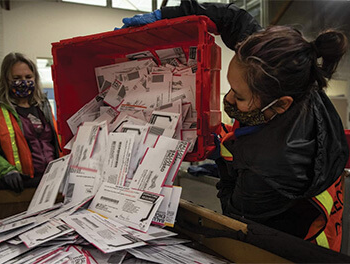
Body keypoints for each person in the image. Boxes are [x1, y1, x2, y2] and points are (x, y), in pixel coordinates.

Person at [119, 0, 349, 252]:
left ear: (281, 104)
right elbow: (232, 19)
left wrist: (223, 162)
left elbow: (234, 214)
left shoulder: (270, 165)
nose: (227, 99)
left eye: (239, 97)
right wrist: (166, 14)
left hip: (301, 244)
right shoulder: (287, 71)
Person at [0, 52, 61, 192]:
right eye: (17, 78)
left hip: (49, 184)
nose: (24, 82)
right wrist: (5, 171)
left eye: (28, 77)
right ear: (6, 79)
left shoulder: (42, 105)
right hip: (15, 187)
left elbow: (54, 142)